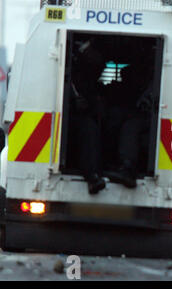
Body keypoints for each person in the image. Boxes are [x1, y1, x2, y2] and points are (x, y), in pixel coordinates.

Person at [69, 38, 107, 194]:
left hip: (82, 116)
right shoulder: (74, 74)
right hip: (71, 120)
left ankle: (94, 172)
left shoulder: (87, 77)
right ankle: (91, 175)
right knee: (88, 129)